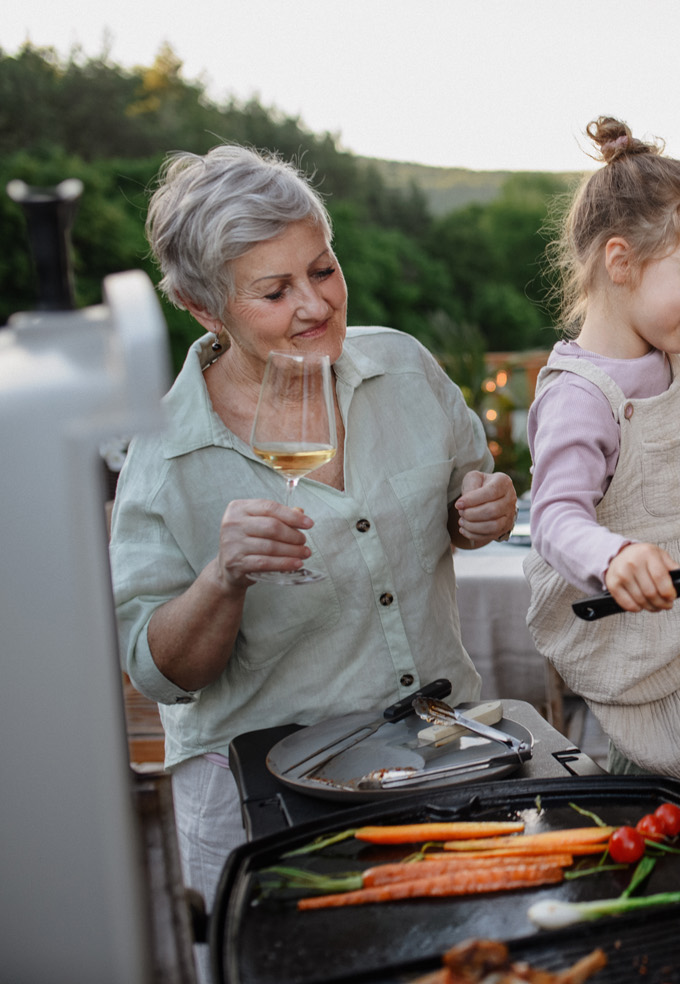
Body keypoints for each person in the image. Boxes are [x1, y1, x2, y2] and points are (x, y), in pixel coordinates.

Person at [111, 145, 517, 917]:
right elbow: (159, 673)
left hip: (436, 756)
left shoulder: (404, 366)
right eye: (273, 291)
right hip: (261, 797)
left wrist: (482, 512)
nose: (315, 305)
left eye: (323, 270)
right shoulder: (166, 452)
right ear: (205, 310)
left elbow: (470, 496)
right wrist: (223, 578)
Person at [523, 117, 680, 814]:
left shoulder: (662, 356)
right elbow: (554, 518)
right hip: (655, 642)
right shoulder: (581, 396)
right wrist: (611, 555)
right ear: (621, 261)